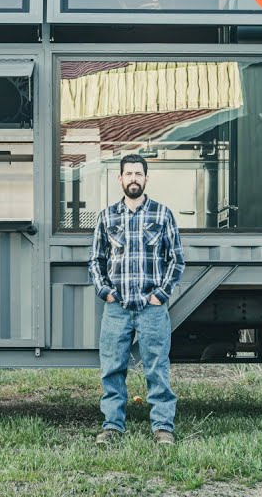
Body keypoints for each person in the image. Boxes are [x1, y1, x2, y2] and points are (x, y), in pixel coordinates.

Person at [87, 154, 185, 445]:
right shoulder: (107, 217)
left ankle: (163, 427)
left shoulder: (162, 214)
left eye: (138, 174)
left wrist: (161, 294)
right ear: (120, 179)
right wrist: (105, 291)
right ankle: (112, 426)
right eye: (128, 174)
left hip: (151, 308)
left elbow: (176, 260)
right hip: (117, 308)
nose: (133, 178)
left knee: (157, 367)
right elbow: (96, 260)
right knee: (112, 367)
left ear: (146, 179)